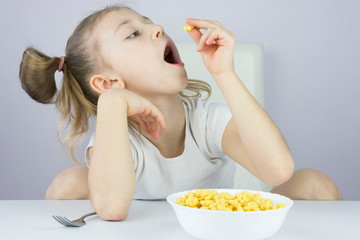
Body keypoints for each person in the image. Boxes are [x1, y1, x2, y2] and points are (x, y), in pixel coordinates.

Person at [19, 5, 342, 221]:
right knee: (68, 183)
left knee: (314, 183)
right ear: (108, 82)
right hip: (135, 228)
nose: (157, 27)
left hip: (213, 226)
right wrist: (113, 103)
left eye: (148, 22)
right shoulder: (113, 134)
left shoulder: (207, 119)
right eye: (132, 34)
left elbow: (278, 171)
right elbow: (113, 209)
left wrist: (224, 74)